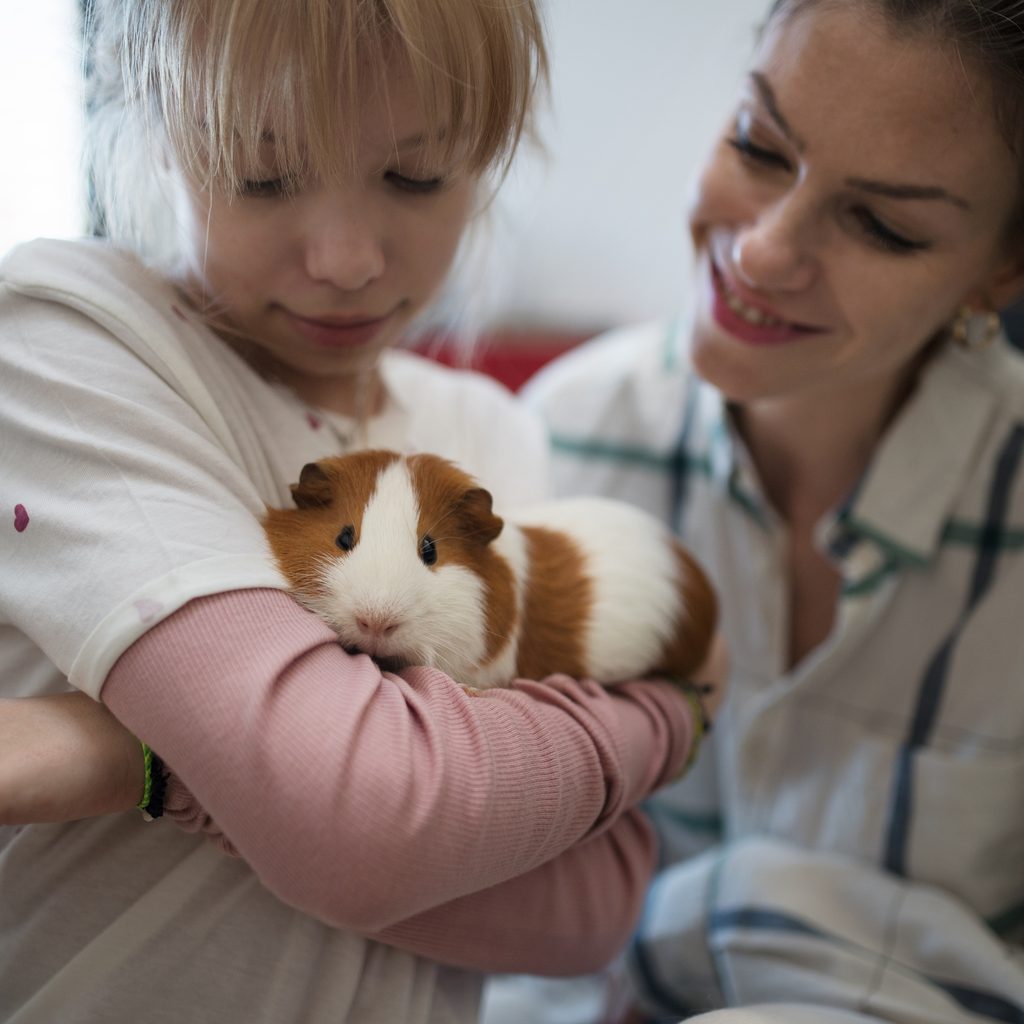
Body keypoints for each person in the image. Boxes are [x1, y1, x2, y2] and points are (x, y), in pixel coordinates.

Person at [0, 2, 710, 1021]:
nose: (343, 258)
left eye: (416, 177)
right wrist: (666, 717)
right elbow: (362, 826)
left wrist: (138, 755)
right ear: (154, 125)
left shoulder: (492, 439)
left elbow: (593, 902)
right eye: (264, 175)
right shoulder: (72, 340)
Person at [483, 0, 1024, 1021]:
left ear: (1001, 270)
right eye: (757, 145)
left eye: (881, 224)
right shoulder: (557, 441)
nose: (765, 253)